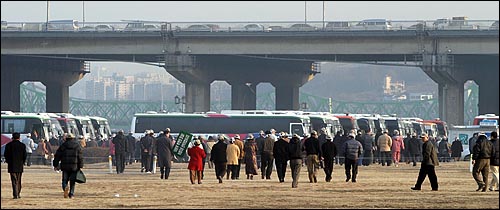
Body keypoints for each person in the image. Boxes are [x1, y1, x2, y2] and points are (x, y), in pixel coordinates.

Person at [53, 133, 84, 198]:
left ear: (66, 138)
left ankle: (65, 188)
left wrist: (55, 164)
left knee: (64, 180)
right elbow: (80, 157)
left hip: (65, 166)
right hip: (74, 166)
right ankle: (71, 194)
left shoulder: (63, 145)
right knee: (72, 181)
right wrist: (81, 165)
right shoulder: (77, 146)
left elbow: (57, 156)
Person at [4, 132, 27, 199]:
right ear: (19, 138)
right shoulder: (22, 145)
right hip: (19, 165)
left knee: (14, 180)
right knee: (19, 180)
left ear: (12, 137)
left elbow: (6, 155)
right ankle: (18, 193)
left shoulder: (8, 145)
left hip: (11, 165)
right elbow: (24, 155)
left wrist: (8, 161)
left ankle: (15, 194)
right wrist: (23, 162)